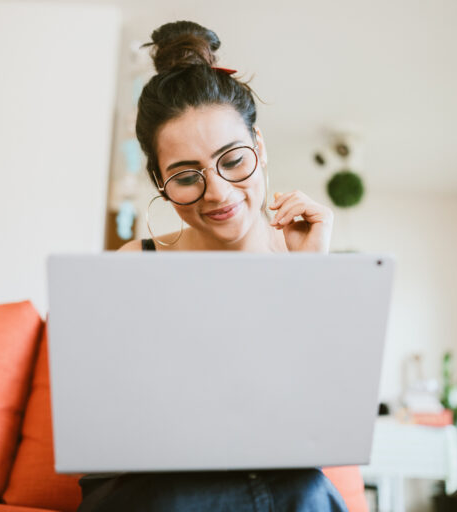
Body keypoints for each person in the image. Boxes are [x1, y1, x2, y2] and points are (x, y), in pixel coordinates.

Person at [77, 20, 348, 512]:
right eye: (185, 176)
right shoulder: (137, 264)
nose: (219, 192)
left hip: (278, 479)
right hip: (149, 484)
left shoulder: (302, 256)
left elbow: (318, 430)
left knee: (306, 489)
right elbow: (107, 424)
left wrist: (308, 277)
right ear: (160, 182)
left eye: (233, 160)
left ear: (259, 148)